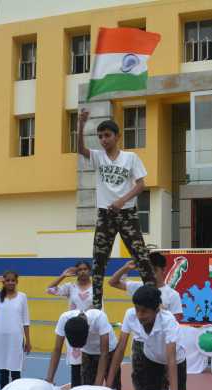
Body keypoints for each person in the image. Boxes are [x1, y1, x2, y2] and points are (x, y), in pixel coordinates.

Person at [76, 108, 155, 309]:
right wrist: (81, 124)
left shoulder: (130, 158)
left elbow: (141, 185)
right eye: (100, 136)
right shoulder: (98, 157)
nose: (103, 139)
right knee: (99, 261)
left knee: (141, 257)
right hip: (106, 215)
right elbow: (80, 149)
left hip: (127, 214)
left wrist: (122, 200)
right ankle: (96, 307)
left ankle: (154, 301)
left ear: (117, 136)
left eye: (107, 135)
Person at [107, 285, 186, 390]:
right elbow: (120, 349)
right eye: (137, 309)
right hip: (151, 358)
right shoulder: (130, 315)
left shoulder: (168, 321)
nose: (139, 315)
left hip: (176, 360)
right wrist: (109, 384)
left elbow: (171, 358)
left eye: (144, 311)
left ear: (156, 310)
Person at [46, 309, 119, 390]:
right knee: (86, 389)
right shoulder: (64, 318)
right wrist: (49, 380)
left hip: (109, 351)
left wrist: (97, 387)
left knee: (112, 387)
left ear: (88, 329)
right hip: (87, 353)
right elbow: (57, 349)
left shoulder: (99, 317)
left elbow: (104, 354)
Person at [46, 261, 94, 384]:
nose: (83, 271)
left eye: (85, 269)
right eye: (80, 269)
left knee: (90, 367)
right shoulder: (70, 287)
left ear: (89, 271)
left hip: (90, 330)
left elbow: (99, 309)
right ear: (76, 272)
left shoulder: (96, 288)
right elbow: (49, 290)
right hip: (74, 330)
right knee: (76, 368)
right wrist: (63, 276)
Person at [109, 252, 183, 319]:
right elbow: (113, 282)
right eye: (149, 270)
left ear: (163, 270)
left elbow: (176, 320)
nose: (151, 274)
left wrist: (161, 311)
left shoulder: (173, 295)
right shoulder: (139, 287)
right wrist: (126, 268)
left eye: (155, 270)